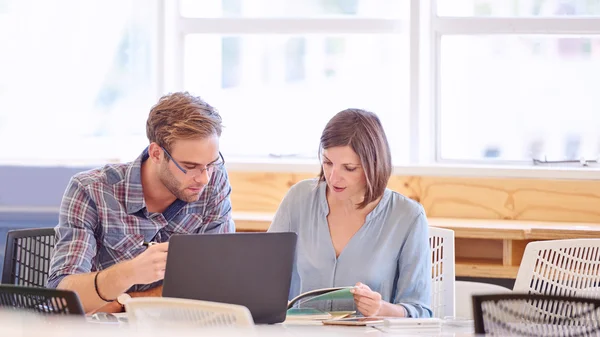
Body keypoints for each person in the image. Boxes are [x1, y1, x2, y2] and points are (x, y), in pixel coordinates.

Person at [47, 92, 234, 313]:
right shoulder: (91, 190)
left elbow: (216, 282)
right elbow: (62, 299)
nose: (204, 178)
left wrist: (128, 302)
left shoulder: (213, 181)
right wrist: (129, 273)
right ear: (156, 153)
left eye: (211, 164)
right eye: (190, 166)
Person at [268, 108, 432, 318]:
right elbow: (266, 278)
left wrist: (381, 309)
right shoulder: (298, 198)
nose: (333, 178)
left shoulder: (408, 217)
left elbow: (421, 312)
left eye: (349, 168)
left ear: (373, 165)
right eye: (327, 163)